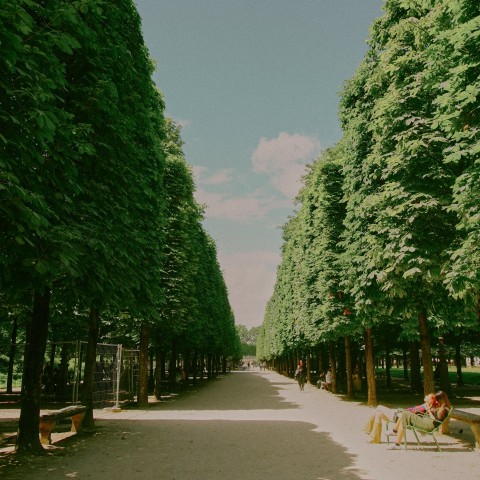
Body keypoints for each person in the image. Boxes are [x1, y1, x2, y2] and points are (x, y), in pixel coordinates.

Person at [365, 392, 439, 444]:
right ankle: (374, 438)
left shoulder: (426, 407)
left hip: (401, 417)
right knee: (378, 413)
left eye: (428, 396)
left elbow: (415, 415)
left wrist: (429, 407)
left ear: (430, 400)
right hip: (400, 415)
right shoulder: (425, 405)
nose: (426, 396)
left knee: (379, 408)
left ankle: (371, 433)